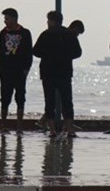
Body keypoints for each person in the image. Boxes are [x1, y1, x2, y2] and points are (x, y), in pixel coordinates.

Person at [32, 10, 82, 138]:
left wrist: (48, 54)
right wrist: (65, 56)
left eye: (48, 20)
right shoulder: (70, 34)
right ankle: (69, 129)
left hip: (48, 72)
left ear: (52, 21)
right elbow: (77, 53)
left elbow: (36, 51)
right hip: (64, 72)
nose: (47, 23)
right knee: (67, 101)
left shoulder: (46, 34)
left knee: (49, 102)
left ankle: (52, 130)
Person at [0, 7, 33, 134]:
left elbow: (29, 52)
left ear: (14, 18)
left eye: (7, 18)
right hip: (6, 71)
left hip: (20, 71)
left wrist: (26, 69)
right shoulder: (3, 33)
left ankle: (19, 126)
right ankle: (3, 125)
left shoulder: (25, 33)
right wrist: (0, 69)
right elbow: (0, 52)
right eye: (4, 19)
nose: (5, 21)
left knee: (20, 98)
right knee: (5, 98)